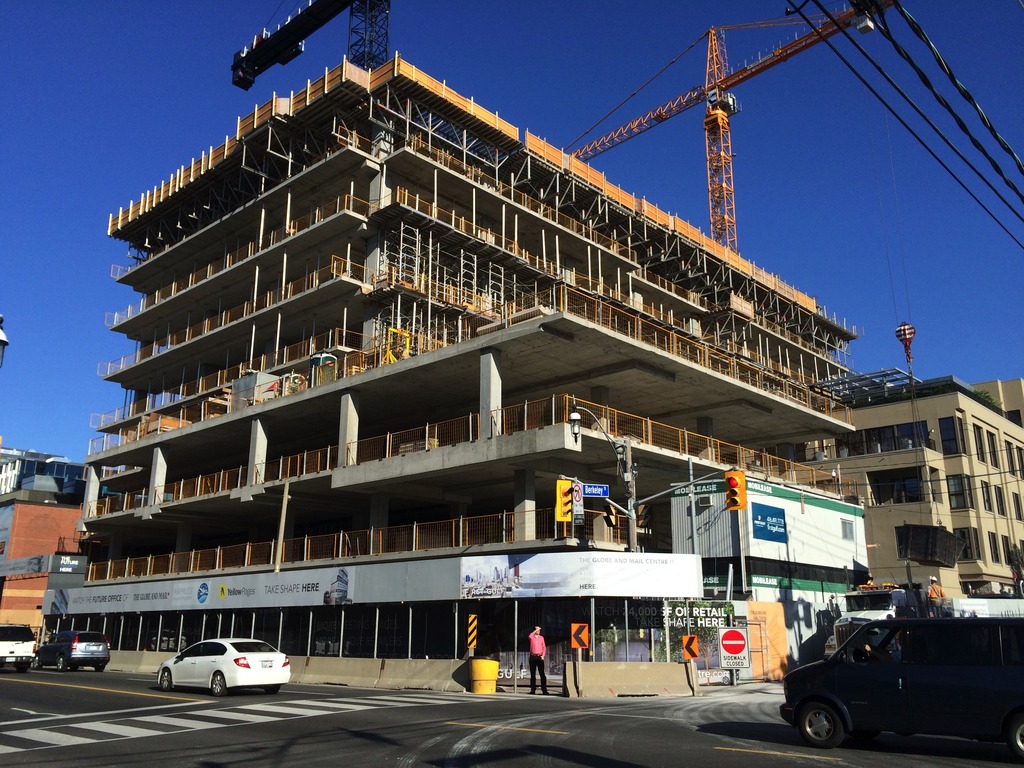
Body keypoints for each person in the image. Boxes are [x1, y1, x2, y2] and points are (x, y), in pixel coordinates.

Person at [528, 625, 548, 695]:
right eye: (537, 630)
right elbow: (530, 635)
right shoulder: (531, 637)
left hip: (539, 657)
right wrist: (535, 630)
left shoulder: (541, 638)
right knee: (532, 674)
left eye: (539, 630)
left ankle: (544, 689)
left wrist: (543, 655)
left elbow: (544, 647)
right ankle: (533, 689)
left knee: (542, 674)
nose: (539, 631)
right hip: (533, 657)